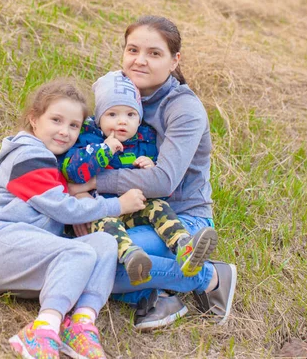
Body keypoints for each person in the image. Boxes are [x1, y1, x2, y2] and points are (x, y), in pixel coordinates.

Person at [69, 16, 238, 331]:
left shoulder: (184, 109)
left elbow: (162, 181)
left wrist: (91, 182)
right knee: (76, 254)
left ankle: (211, 277)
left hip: (179, 217)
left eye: (154, 53)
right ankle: (159, 291)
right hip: (120, 211)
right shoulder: (118, 95)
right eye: (133, 50)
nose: (140, 60)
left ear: (175, 61)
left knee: (96, 262)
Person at [0, 80, 146, 359]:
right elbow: (62, 209)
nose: (65, 131)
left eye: (74, 125)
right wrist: (116, 205)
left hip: (30, 252)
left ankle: (80, 324)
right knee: (79, 251)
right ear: (34, 119)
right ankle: (42, 328)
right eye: (56, 120)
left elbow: (65, 202)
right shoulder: (27, 154)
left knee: (104, 244)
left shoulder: (54, 162)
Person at [59, 71, 218, 287]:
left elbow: (160, 185)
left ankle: (183, 245)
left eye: (130, 115)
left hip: (137, 209)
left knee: (159, 206)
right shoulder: (90, 139)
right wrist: (104, 150)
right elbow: (74, 171)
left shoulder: (144, 139)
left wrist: (150, 166)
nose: (122, 122)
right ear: (99, 117)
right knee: (103, 237)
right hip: (106, 210)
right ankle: (131, 255)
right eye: (112, 114)